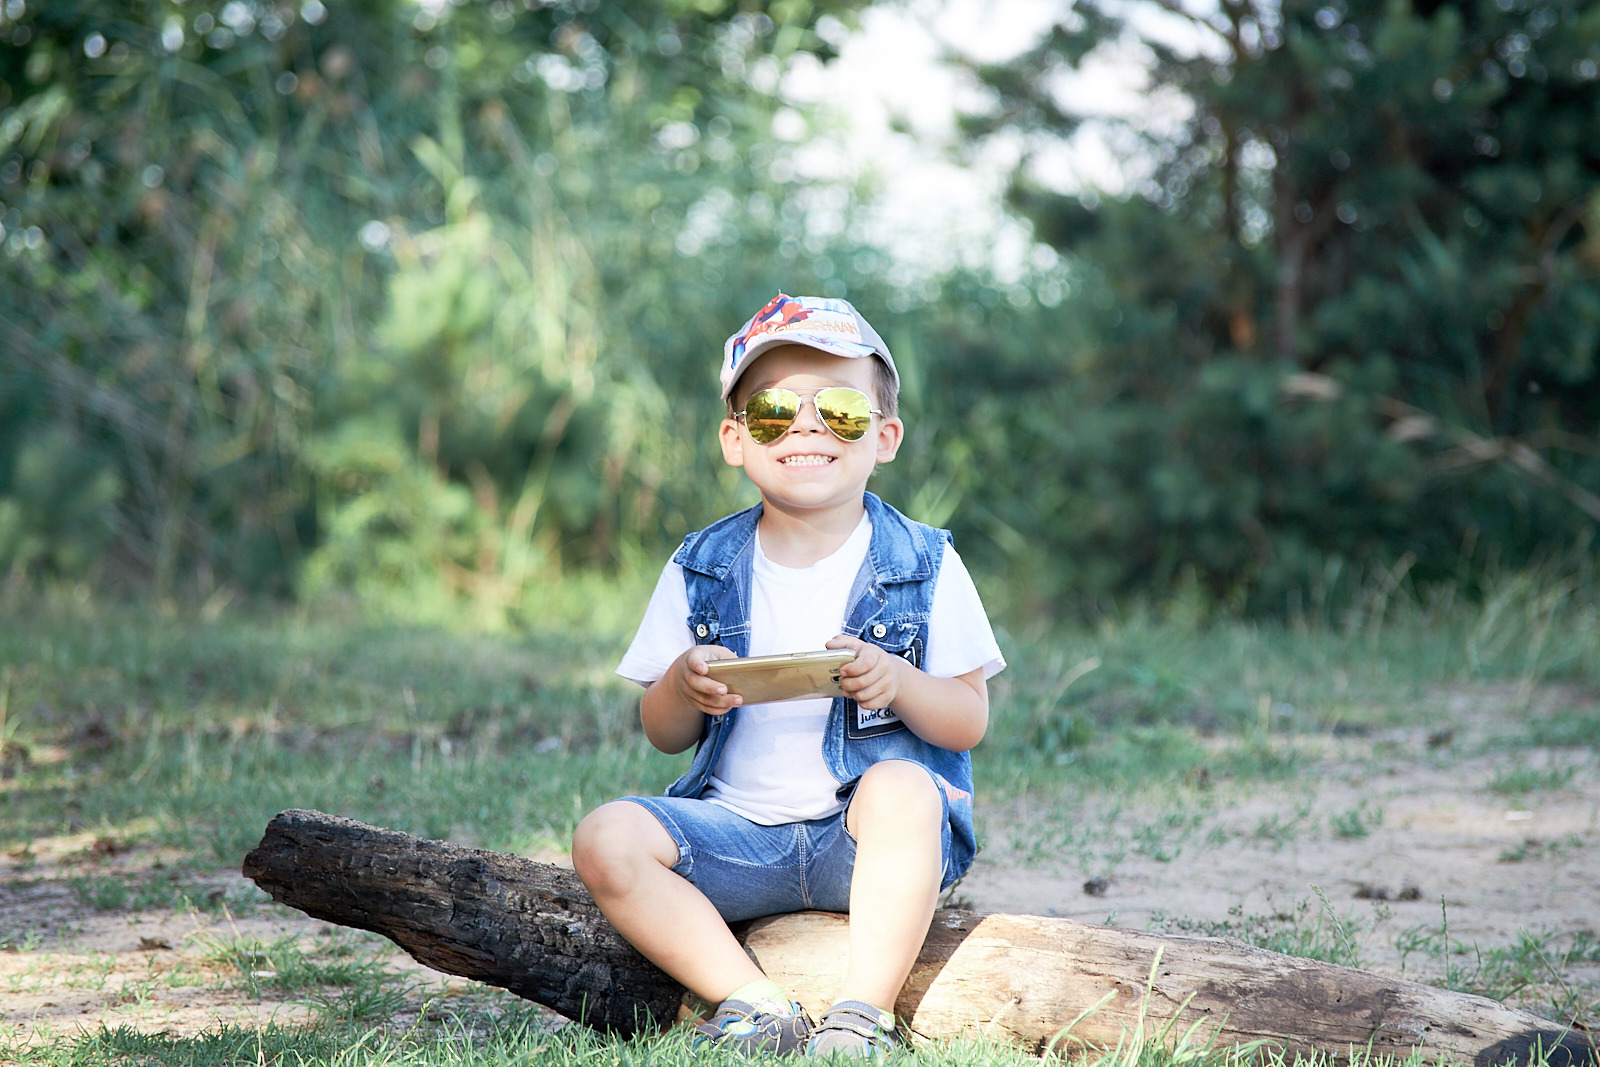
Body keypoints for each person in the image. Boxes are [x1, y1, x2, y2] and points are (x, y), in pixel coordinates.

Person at [572, 293, 1005, 1058]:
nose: (807, 425)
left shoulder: (924, 563)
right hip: (734, 838)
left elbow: (968, 719)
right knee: (605, 837)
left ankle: (861, 1013)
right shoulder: (700, 564)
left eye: (839, 409)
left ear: (886, 436)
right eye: (774, 411)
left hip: (861, 844)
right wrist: (682, 684)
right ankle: (752, 1001)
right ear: (736, 439)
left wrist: (898, 682)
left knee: (904, 787)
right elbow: (662, 733)